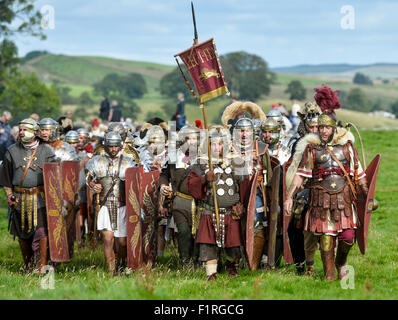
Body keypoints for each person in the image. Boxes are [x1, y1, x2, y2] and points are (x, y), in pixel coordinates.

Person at [285, 85, 369, 281]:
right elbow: (300, 175)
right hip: (320, 202)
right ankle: (329, 275)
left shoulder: (347, 148)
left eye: (326, 127)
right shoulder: (311, 150)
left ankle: (341, 263)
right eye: (320, 127)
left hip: (343, 201)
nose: (323, 131)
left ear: (334, 128)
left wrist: (366, 192)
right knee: (325, 241)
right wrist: (290, 196)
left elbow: (359, 172)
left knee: (348, 239)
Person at [187, 125, 250, 281]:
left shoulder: (237, 162)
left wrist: (241, 205)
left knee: (233, 244)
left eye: (220, 143)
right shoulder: (201, 163)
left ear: (225, 144)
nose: (217, 147)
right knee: (208, 245)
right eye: (213, 144)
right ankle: (211, 274)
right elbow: (191, 185)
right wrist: (204, 179)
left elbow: (245, 186)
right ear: (207, 145)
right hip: (209, 211)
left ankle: (232, 268)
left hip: (231, 211)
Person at [1, 118, 56, 273]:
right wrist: (9, 195)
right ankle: (28, 264)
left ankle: (41, 266)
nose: (21, 132)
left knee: (42, 232)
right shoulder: (12, 151)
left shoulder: (47, 151)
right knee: (23, 235)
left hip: (40, 198)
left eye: (25, 129)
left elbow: (55, 176)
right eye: (20, 129)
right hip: (19, 198)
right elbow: (6, 176)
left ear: (35, 131)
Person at [86, 132, 138, 274]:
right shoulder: (97, 161)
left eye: (116, 146)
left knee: (122, 242)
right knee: (108, 239)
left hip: (122, 205)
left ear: (120, 146)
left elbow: (137, 181)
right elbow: (88, 178)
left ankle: (121, 262)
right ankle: (111, 270)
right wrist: (93, 185)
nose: (113, 149)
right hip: (104, 205)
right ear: (106, 146)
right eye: (111, 146)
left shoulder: (129, 161)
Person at [284, 101, 321, 275]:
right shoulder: (298, 144)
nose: (314, 129)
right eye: (311, 126)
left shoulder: (330, 142)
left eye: (317, 126)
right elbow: (294, 170)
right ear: (306, 126)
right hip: (304, 187)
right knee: (296, 225)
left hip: (326, 186)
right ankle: (300, 264)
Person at [159, 125, 201, 267]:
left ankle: (196, 260)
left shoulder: (203, 157)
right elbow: (164, 174)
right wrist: (163, 185)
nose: (192, 142)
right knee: (183, 231)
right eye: (188, 139)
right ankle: (185, 262)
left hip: (199, 202)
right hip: (180, 200)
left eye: (195, 139)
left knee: (198, 233)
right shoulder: (173, 156)